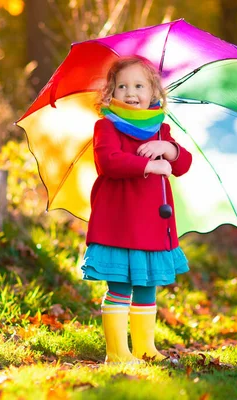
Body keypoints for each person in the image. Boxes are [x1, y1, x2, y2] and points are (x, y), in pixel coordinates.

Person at [81, 55, 192, 364]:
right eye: (122, 86)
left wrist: (168, 149)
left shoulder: (160, 130)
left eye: (139, 85)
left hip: (152, 225)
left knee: (146, 285)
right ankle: (117, 352)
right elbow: (109, 162)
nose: (131, 92)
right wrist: (149, 165)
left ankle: (145, 348)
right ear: (111, 93)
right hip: (118, 221)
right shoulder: (106, 127)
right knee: (120, 284)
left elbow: (182, 164)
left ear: (154, 93)